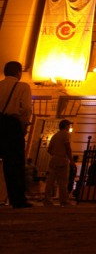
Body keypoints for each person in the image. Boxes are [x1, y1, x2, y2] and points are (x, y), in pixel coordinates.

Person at [0, 61, 33, 209]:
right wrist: (24, 124)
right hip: (12, 125)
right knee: (14, 164)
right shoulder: (23, 87)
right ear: (19, 72)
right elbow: (25, 108)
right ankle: (17, 199)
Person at [44, 119, 73, 207]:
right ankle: (64, 201)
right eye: (69, 125)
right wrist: (71, 160)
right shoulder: (65, 134)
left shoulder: (55, 135)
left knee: (50, 181)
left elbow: (49, 150)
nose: (69, 127)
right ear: (66, 126)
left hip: (54, 160)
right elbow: (67, 147)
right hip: (62, 160)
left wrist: (55, 154)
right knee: (63, 182)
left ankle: (47, 200)